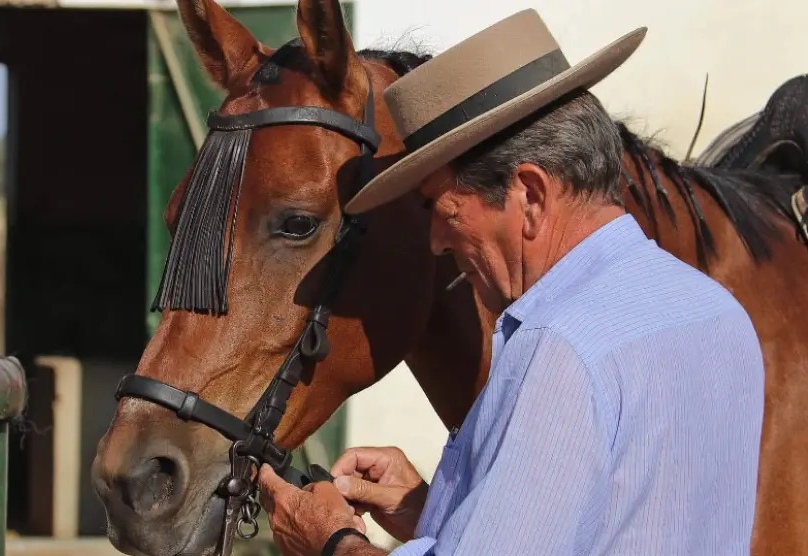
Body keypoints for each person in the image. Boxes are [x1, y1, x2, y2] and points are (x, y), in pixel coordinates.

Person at [256, 8, 766, 556]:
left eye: (443, 209)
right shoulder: (718, 313)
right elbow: (624, 520)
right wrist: (441, 509)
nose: (435, 241)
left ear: (529, 195)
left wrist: (331, 543)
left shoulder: (561, 346)